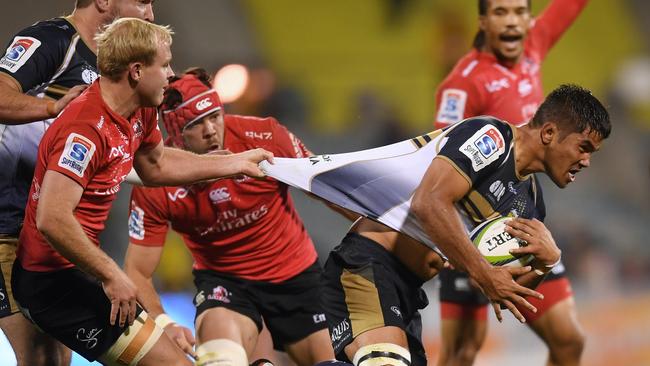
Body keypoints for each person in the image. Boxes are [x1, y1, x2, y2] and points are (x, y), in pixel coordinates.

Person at [261, 84, 611, 365]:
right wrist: (486, 276)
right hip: (369, 265)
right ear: (549, 132)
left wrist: (545, 262)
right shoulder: (491, 140)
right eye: (584, 147)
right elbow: (428, 202)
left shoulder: (529, 203)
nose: (587, 161)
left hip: (409, 293)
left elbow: (505, 292)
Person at [11, 18, 273, 366]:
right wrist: (112, 274)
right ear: (136, 71)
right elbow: (52, 218)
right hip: (51, 283)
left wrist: (232, 163)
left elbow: (155, 164)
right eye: (164, 65)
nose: (170, 74)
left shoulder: (141, 110)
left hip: (79, 270)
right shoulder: (85, 131)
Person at [123, 68, 343, 366]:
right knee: (219, 361)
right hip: (226, 284)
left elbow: (326, 187)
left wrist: (380, 227)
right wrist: (164, 323)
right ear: (175, 134)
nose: (211, 130)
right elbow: (137, 270)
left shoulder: (265, 136)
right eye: (197, 123)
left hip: (295, 274)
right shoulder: (156, 182)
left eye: (215, 116)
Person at [433, 1, 589, 365]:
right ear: (484, 21)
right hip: (475, 229)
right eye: (501, 12)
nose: (513, 22)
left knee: (569, 341)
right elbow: (439, 163)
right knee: (461, 353)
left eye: (520, 11)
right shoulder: (462, 84)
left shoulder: (534, 44)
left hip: (521, 223)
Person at [0, 1, 155, 364]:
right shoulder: (51, 41)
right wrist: (52, 107)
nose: (149, 13)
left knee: (56, 359)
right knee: (41, 358)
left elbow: (141, 161)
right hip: (9, 227)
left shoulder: (112, 68)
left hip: (56, 234)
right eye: (142, 0)